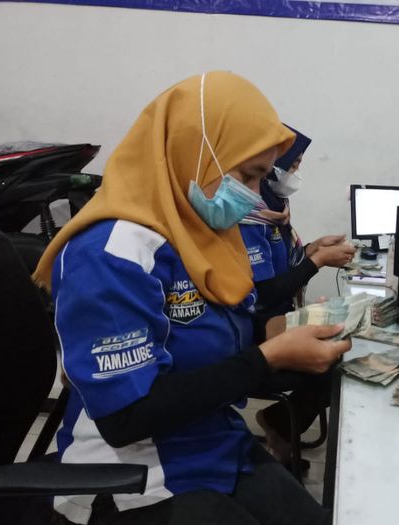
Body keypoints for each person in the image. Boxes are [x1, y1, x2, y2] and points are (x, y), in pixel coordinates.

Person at [32, 71, 351, 525]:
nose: (255, 196)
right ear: (195, 153)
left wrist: (294, 333)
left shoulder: (202, 237)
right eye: (248, 175)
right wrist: (267, 359)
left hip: (212, 441)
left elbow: (224, 336)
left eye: (262, 178)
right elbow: (126, 417)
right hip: (132, 475)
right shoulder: (111, 253)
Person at [237, 128, 355, 466]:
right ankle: (279, 425)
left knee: (345, 344)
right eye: (293, 164)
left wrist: (313, 248)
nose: (296, 172)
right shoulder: (248, 218)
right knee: (334, 363)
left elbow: (283, 266)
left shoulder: (274, 211)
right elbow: (262, 292)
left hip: (276, 320)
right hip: (253, 329)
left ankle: (280, 426)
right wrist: (317, 262)